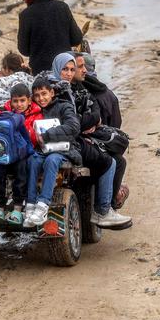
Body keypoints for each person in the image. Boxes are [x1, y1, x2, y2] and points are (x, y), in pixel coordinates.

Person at [52, 53, 131, 227]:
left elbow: (94, 111)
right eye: (67, 69)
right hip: (68, 141)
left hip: (76, 137)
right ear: (58, 69)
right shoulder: (57, 91)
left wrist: (91, 119)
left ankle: (107, 207)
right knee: (108, 162)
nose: (70, 72)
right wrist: (88, 121)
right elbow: (74, 123)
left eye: (73, 69)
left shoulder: (79, 88)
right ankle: (102, 211)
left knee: (118, 160)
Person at [24, 75, 81, 226]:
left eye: (44, 94)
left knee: (52, 160)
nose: (41, 98)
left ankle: (43, 205)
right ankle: (30, 205)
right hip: (41, 152)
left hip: (65, 150)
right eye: (37, 95)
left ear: (52, 93)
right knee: (33, 160)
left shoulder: (64, 106)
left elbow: (74, 127)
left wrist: (48, 135)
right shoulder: (34, 110)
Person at [74, 53, 128, 209]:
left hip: (85, 137)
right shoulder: (99, 92)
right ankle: (107, 206)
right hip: (82, 141)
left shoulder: (82, 90)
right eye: (79, 67)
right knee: (116, 161)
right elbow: (113, 124)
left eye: (83, 66)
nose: (83, 70)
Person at [0, 83, 40, 225]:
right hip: (6, 154)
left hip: (24, 154)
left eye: (22, 100)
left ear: (29, 100)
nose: (19, 104)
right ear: (10, 101)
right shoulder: (3, 114)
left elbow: (36, 137)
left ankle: (18, 207)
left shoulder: (37, 115)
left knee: (21, 170)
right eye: (15, 101)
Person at [16, 0, 83, 75]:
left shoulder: (26, 15)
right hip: (65, 71)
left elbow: (24, 50)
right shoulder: (62, 7)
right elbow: (77, 38)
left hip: (41, 74)